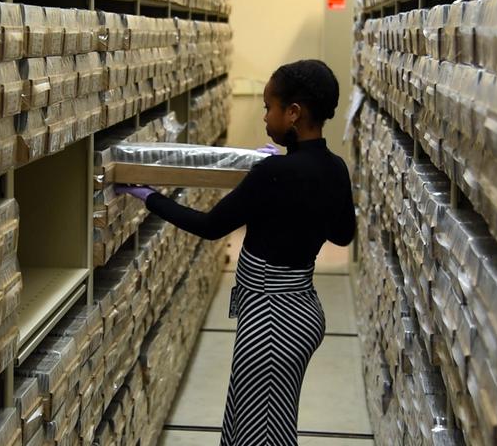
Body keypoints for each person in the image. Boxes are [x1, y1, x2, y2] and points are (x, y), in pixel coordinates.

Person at [115, 59, 356, 446]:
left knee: (256, 435)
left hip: (272, 321)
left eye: (268, 108)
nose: (264, 117)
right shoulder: (335, 169)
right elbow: (343, 235)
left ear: (293, 113)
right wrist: (295, 195)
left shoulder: (272, 174)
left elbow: (210, 227)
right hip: (303, 312)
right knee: (262, 426)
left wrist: (149, 196)